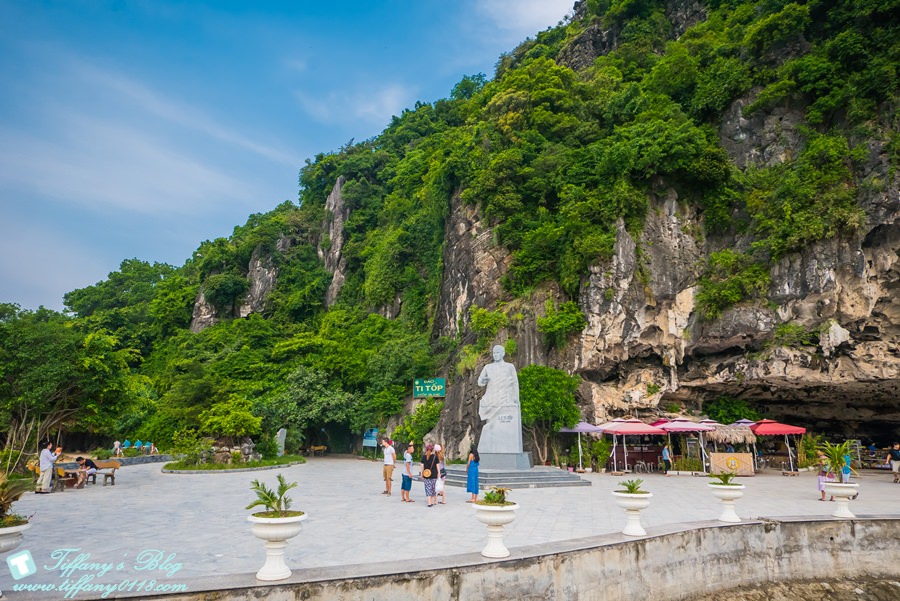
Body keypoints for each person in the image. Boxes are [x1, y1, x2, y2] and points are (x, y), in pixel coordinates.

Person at [477, 345, 522, 455]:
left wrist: (516, 398)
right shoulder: (488, 367)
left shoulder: (509, 367)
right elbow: (480, 381)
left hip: (505, 398)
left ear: (503, 353)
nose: (495, 355)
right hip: (492, 398)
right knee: (490, 424)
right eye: (494, 353)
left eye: (497, 352)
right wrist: (483, 380)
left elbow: (515, 383)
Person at [421, 443, 439, 507]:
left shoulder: (424, 457)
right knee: (433, 488)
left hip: (426, 475)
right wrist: (439, 473)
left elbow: (422, 466)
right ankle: (433, 501)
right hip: (434, 475)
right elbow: (437, 466)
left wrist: (421, 474)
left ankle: (429, 502)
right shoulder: (435, 457)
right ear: (432, 450)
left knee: (428, 488)